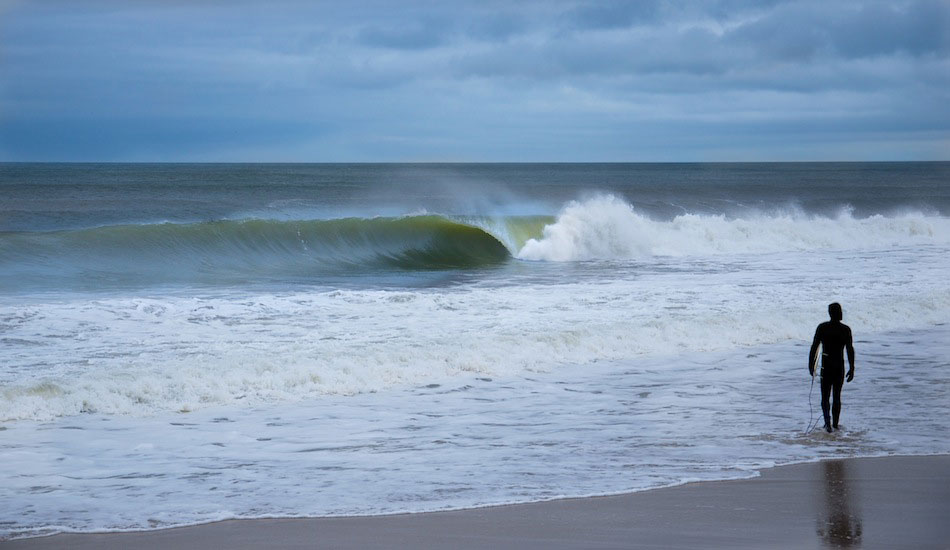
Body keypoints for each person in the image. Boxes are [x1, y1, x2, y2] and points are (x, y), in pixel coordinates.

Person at [809, 303, 855, 432]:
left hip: (827, 366)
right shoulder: (845, 329)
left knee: (825, 396)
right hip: (839, 366)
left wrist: (811, 365)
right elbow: (850, 350)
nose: (841, 313)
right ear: (835, 313)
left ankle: (828, 424)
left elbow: (814, 347)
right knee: (836, 396)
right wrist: (852, 367)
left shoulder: (823, 327)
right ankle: (834, 424)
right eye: (840, 311)